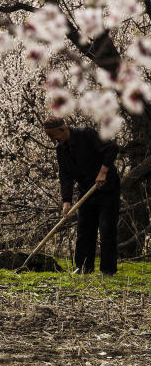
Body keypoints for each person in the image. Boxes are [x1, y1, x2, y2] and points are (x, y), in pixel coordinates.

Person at [43, 116, 120, 276]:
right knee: (84, 229)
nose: (52, 140)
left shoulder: (86, 134)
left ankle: (107, 270)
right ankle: (84, 267)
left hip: (107, 188)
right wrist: (66, 202)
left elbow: (112, 148)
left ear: (63, 129)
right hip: (86, 189)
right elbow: (65, 176)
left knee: (107, 229)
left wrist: (103, 172)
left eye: (52, 135)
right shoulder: (60, 149)